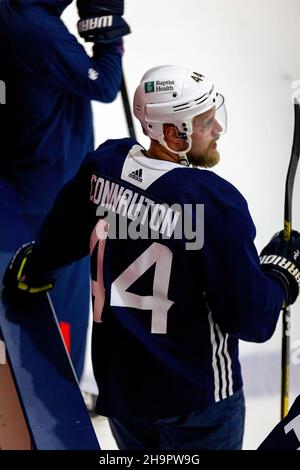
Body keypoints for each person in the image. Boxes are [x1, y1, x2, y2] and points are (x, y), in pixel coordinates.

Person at [3, 65, 300, 450]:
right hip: (197, 400)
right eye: (206, 122)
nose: (218, 130)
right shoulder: (210, 202)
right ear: (176, 134)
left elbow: (60, 237)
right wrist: (281, 275)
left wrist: (38, 265)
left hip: (124, 393)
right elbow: (252, 319)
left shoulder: (104, 166)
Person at [0, 0, 130, 379]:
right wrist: (109, 35)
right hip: (53, 204)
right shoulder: (38, 31)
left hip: (19, 188)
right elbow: (105, 84)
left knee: (20, 319)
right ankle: (60, 405)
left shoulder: (14, 17)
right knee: (58, 321)